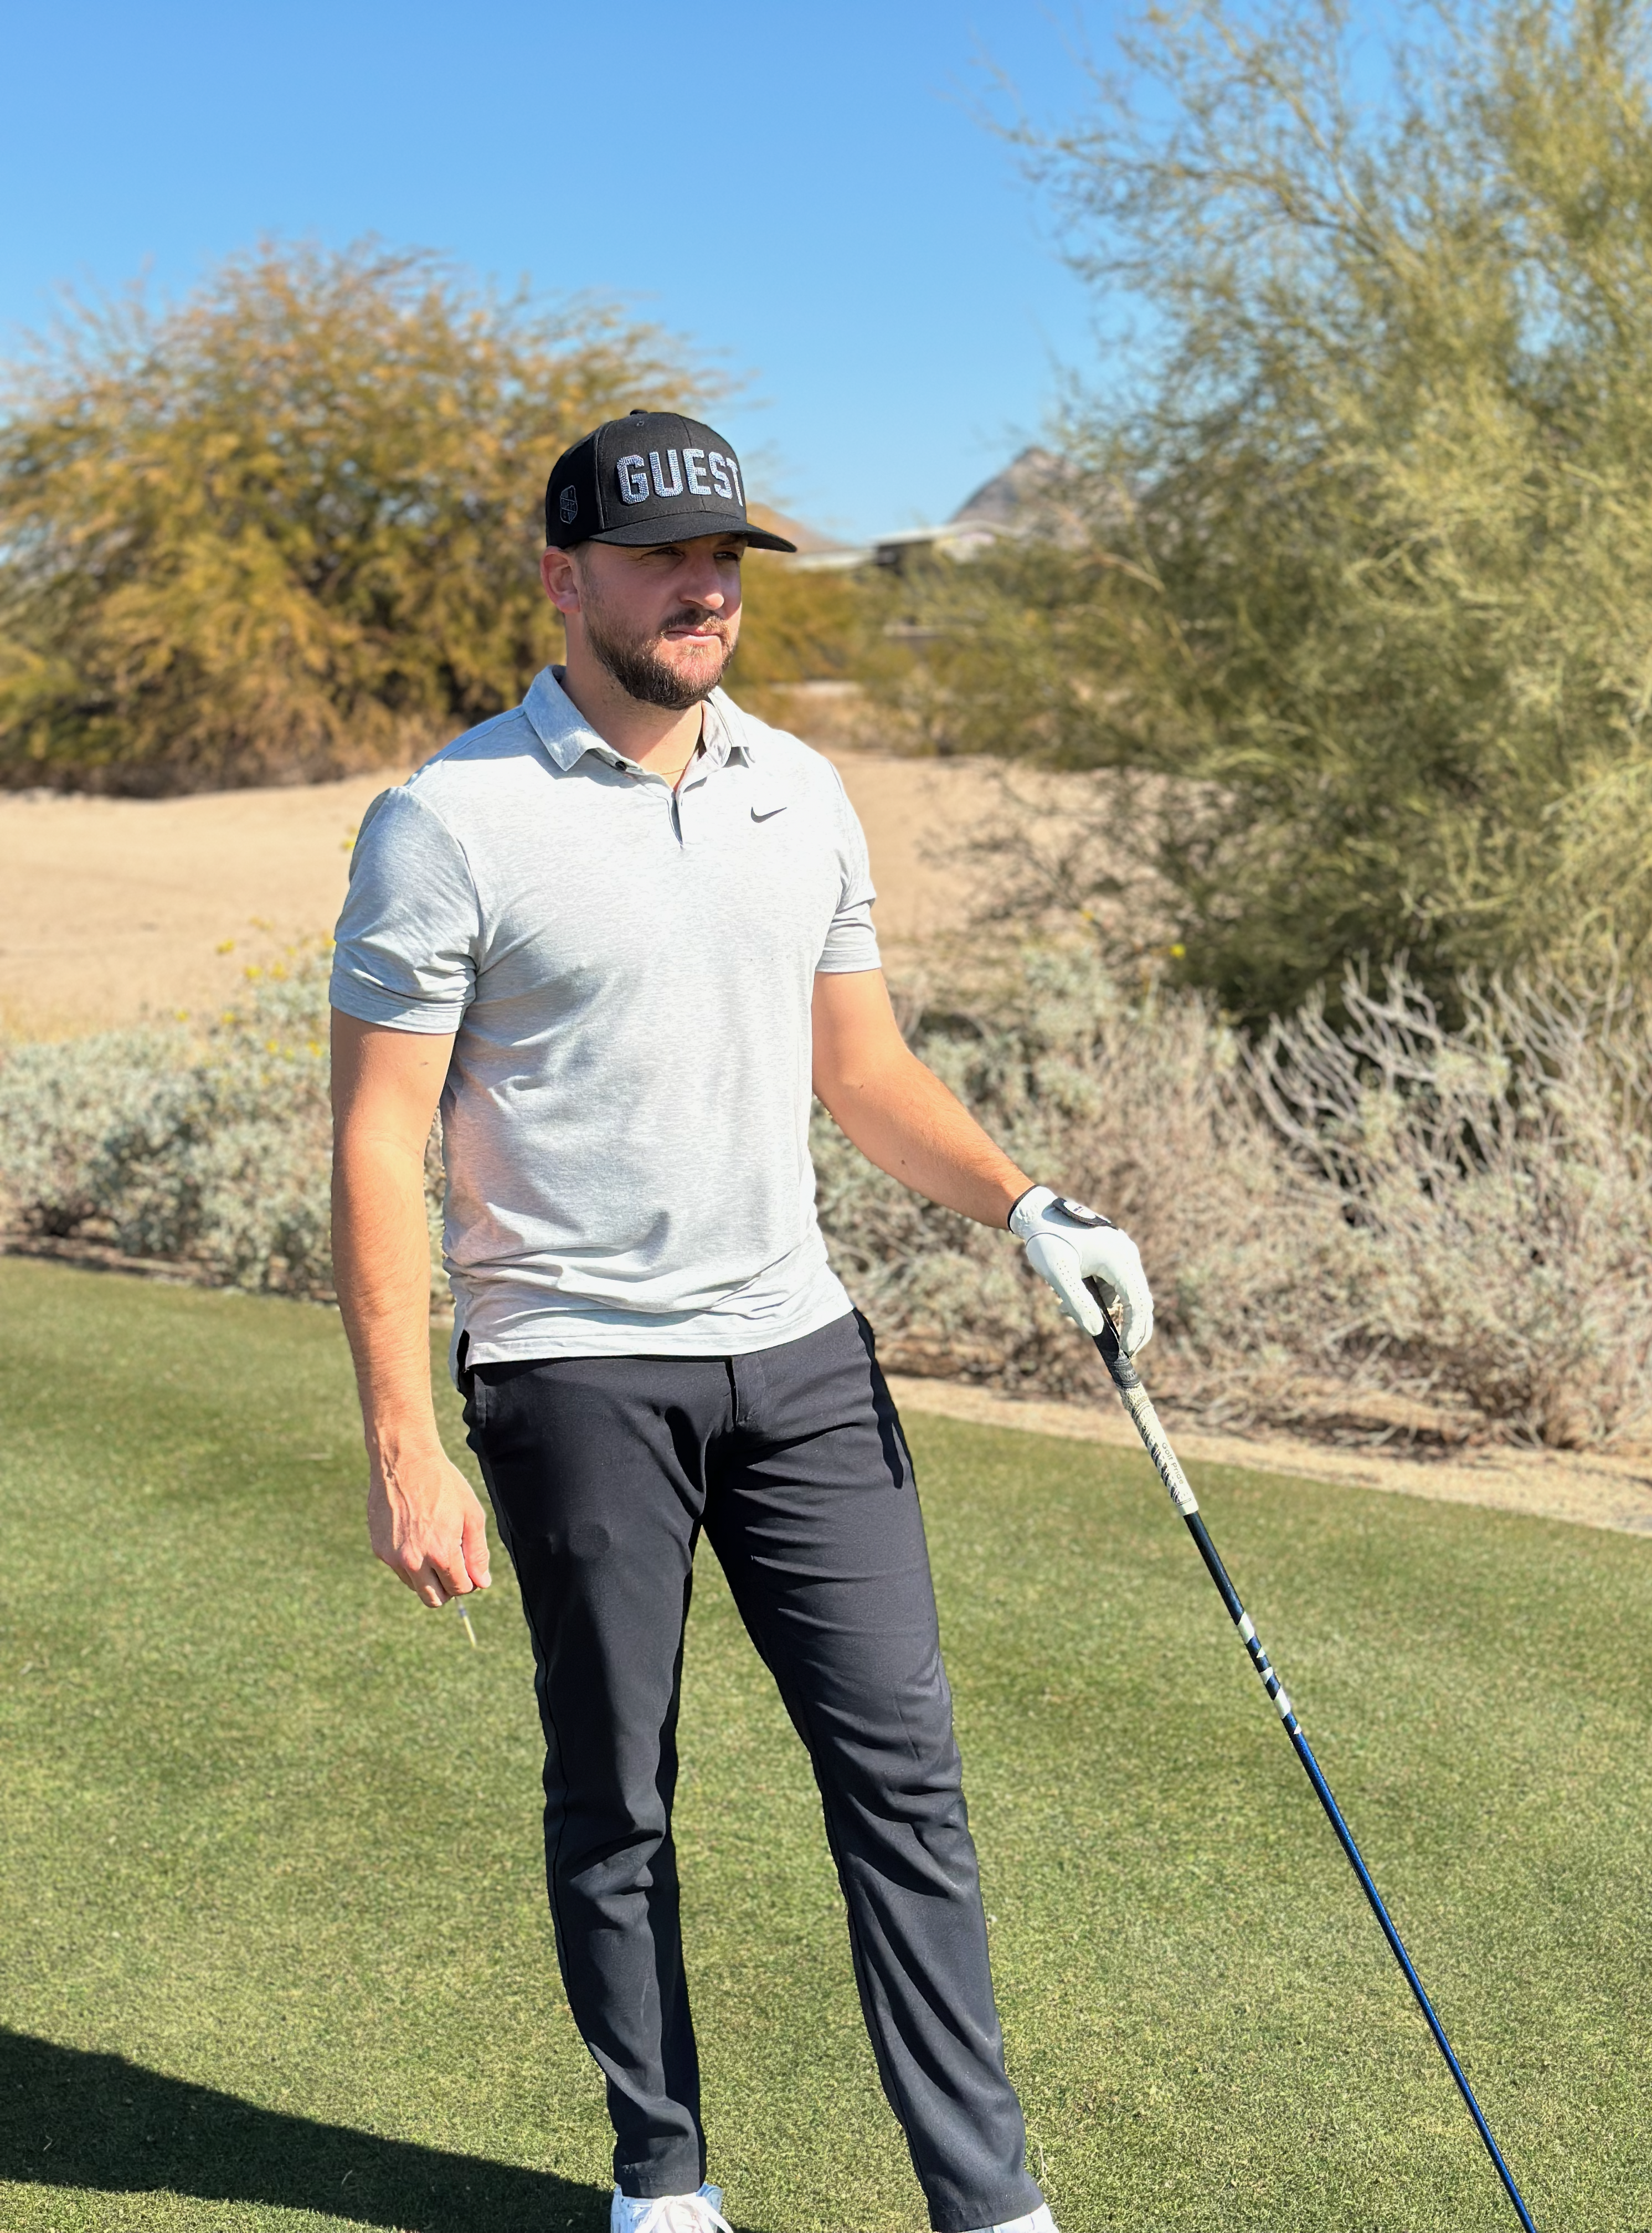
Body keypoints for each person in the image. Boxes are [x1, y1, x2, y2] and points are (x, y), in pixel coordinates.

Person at [328, 409, 1154, 2233]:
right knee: (617, 1797)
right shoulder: (449, 822)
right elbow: (381, 1141)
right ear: (564, 578)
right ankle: (665, 2182)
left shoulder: (801, 791)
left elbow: (860, 1069)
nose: (704, 589)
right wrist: (403, 1443)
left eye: (725, 560)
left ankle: (991, 2205)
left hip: (799, 1352)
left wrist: (1029, 1202)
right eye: (660, 558)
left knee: (906, 1786)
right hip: (571, 1368)